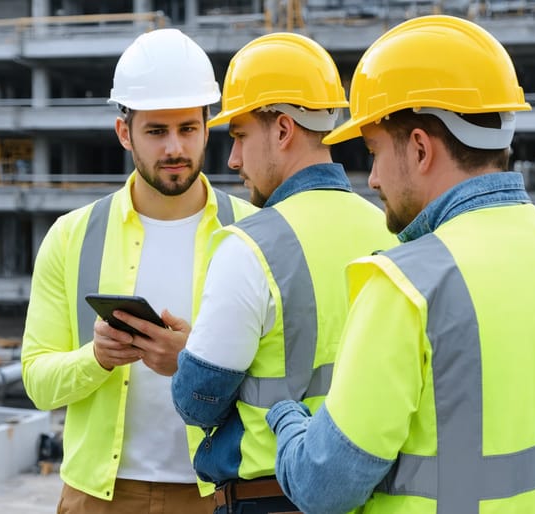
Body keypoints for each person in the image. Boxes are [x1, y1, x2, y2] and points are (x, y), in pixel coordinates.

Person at [266, 15, 535, 514]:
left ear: (420, 148)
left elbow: (323, 486)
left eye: (373, 152)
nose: (372, 179)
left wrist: (287, 419)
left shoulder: (408, 286)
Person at [21, 28, 257, 514]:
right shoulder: (71, 236)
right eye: (156, 131)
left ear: (207, 127)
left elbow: (283, 381)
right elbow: (37, 381)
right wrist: (97, 358)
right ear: (124, 132)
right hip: (97, 498)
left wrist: (192, 362)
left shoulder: (254, 232)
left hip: (216, 493)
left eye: (188, 129)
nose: (174, 148)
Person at [167, 32, 399, 514]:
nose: (232, 160)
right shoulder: (390, 230)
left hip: (269, 496)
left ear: (283, 130)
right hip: (372, 494)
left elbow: (195, 400)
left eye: (240, 136)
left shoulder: (250, 245)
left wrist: (187, 355)